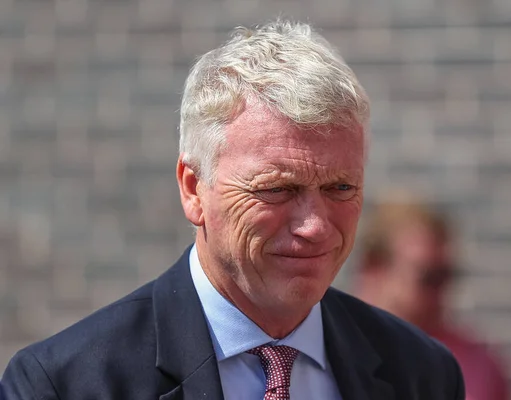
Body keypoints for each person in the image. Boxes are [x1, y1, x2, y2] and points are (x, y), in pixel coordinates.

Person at [1, 20, 465, 400]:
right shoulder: (66, 384)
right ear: (193, 189)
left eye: (341, 187)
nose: (316, 226)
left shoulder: (422, 375)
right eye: (278, 189)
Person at [355, 198, 511, 400]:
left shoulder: (478, 363)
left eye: (447, 275)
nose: (442, 290)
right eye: (428, 276)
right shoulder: (326, 350)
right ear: (374, 267)